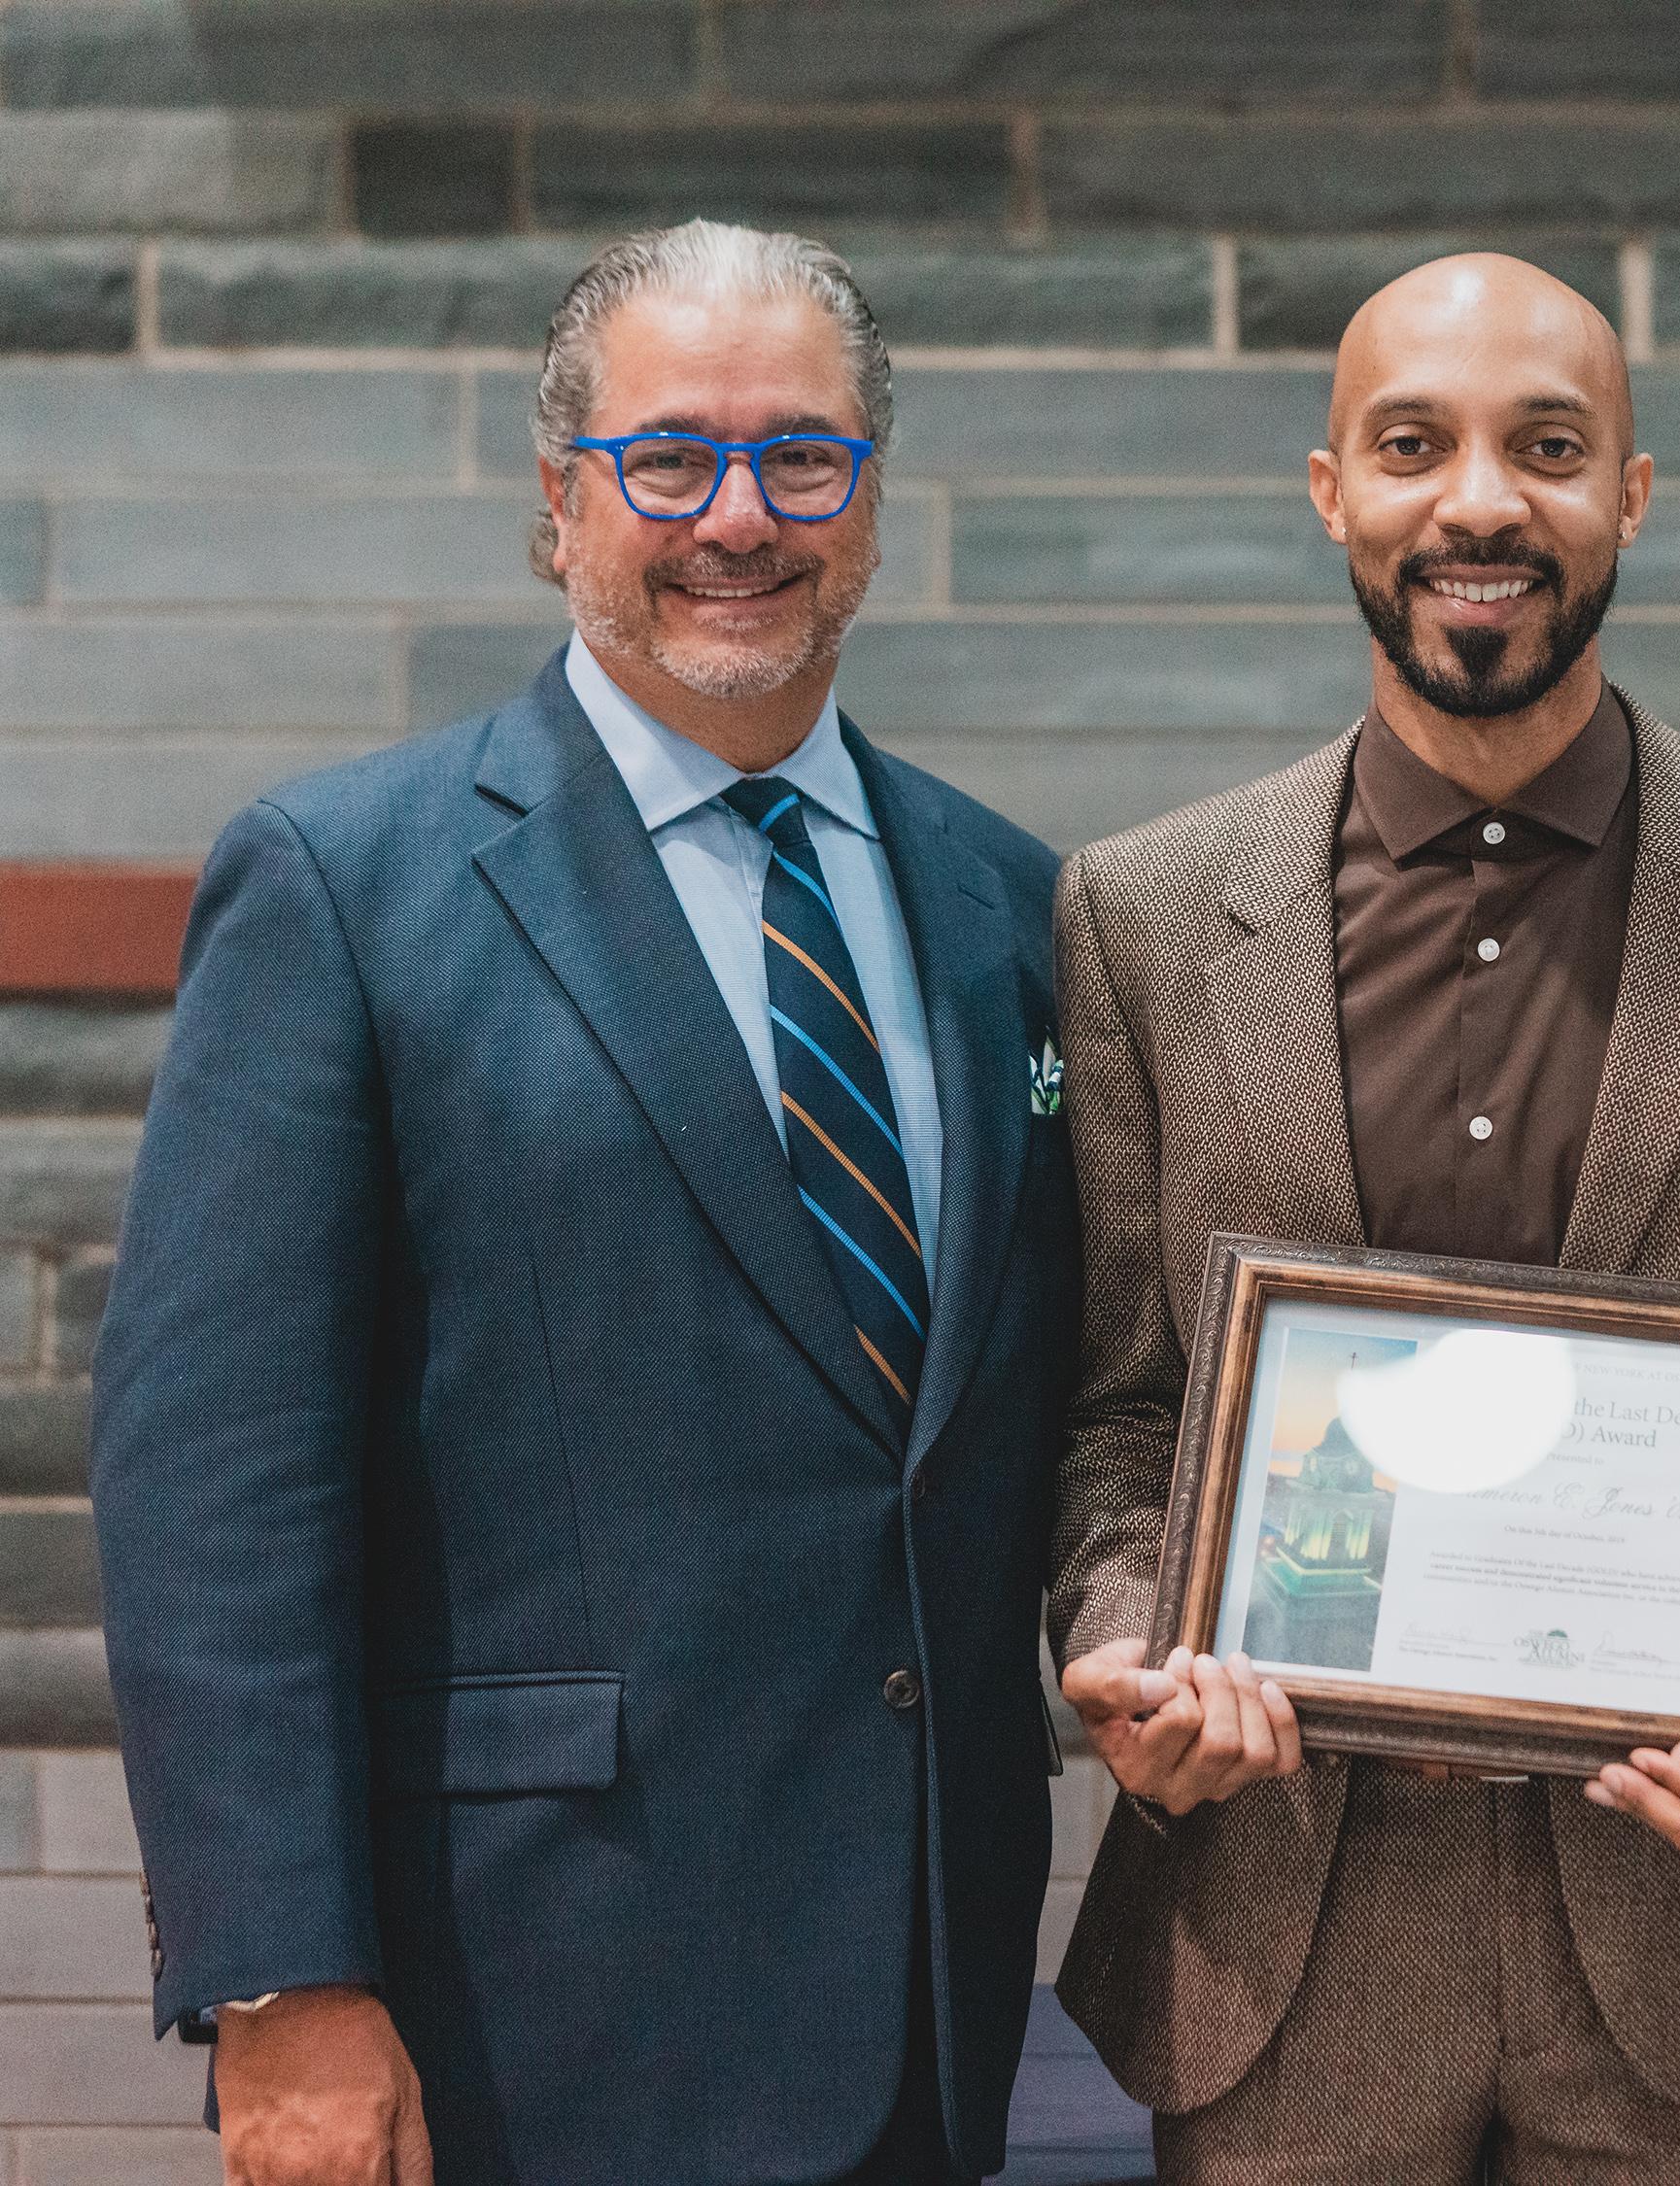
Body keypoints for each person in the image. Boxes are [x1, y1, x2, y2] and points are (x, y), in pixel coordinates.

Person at [89, 222, 1078, 2186]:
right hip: (515, 2019)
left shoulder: (1013, 907)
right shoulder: (343, 888)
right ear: (561, 504)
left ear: (872, 507)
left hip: (929, 2021)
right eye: (669, 457)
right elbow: (214, 1483)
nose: (739, 515)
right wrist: (282, 1981)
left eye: (804, 457)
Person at [1046, 253, 1680, 2183]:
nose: (1479, 500)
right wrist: (1134, 1647)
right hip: (1284, 1945)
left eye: (1547, 447)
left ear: (1630, 495)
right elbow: (1130, 1418)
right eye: (1416, 445)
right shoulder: (1144, 917)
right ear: (1333, 493)